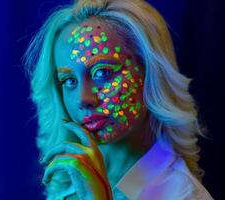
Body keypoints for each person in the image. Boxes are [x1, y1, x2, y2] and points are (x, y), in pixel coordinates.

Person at [24, 0, 214, 199]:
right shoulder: (69, 182)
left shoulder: (182, 194)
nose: (83, 98)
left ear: (150, 73)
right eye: (69, 80)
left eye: (102, 73)